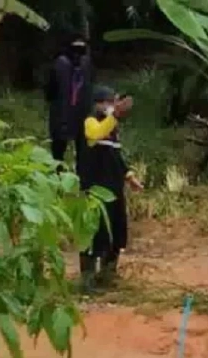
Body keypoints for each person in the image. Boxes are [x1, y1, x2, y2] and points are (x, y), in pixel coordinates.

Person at [79, 86, 143, 290]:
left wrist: (129, 176)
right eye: (107, 102)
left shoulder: (112, 129)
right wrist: (113, 116)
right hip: (95, 189)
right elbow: (95, 134)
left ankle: (108, 274)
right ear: (97, 104)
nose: (111, 106)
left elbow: (116, 157)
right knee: (95, 232)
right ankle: (88, 279)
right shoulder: (90, 122)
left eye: (113, 103)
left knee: (117, 231)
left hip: (114, 189)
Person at [45, 33, 94, 168]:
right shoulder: (86, 63)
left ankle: (58, 174)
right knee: (81, 149)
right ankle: (79, 176)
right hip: (80, 112)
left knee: (58, 150)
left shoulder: (60, 63)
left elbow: (50, 91)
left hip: (62, 112)